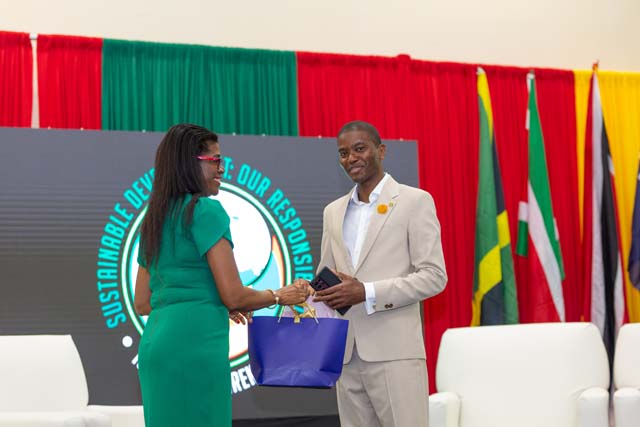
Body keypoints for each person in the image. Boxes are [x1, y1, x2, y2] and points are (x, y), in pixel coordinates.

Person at [133, 123, 310, 427]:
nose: (222, 168)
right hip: (195, 345)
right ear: (190, 164)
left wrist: (211, 300)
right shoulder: (206, 211)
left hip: (156, 346)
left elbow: (142, 302)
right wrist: (281, 295)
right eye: (215, 160)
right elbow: (234, 295)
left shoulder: (155, 218)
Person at [313, 120, 447, 427]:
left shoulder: (415, 201)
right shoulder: (333, 211)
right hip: (346, 354)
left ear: (381, 150)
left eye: (359, 149)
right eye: (343, 153)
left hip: (395, 352)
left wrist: (366, 292)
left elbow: (433, 276)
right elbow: (327, 275)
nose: (351, 158)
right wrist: (301, 294)